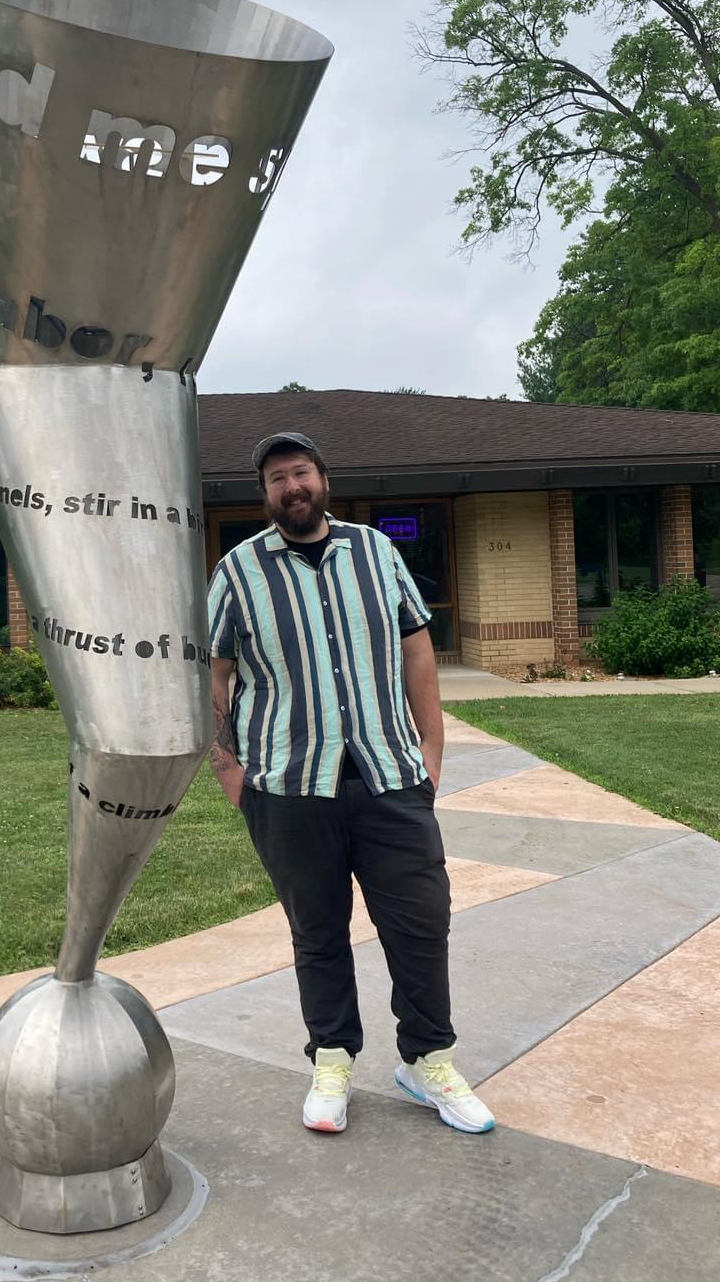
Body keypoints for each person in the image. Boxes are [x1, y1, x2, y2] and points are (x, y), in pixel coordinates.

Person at [206, 432, 494, 1136]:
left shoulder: (374, 552)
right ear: (265, 495)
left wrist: (431, 748)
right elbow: (215, 672)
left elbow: (415, 645)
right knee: (318, 933)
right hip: (288, 789)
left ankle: (428, 1059)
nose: (291, 486)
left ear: (323, 479)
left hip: (390, 777)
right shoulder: (237, 572)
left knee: (420, 924)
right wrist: (227, 767)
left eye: (300, 472)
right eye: (277, 478)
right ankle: (332, 1059)